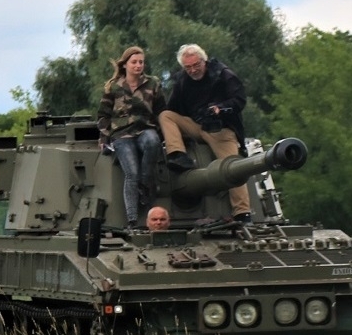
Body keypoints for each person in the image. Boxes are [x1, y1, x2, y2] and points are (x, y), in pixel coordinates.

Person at [158, 43, 252, 223]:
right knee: (166, 116)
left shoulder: (223, 75)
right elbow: (173, 108)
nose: (193, 70)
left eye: (196, 65)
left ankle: (242, 211)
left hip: (220, 130)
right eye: (188, 67)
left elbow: (239, 100)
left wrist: (221, 108)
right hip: (196, 125)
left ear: (204, 60)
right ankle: (177, 154)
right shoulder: (183, 81)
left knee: (233, 168)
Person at [97, 46, 166, 230]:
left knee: (153, 142)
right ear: (125, 64)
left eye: (141, 62)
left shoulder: (153, 84)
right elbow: (103, 115)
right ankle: (133, 219)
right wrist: (104, 138)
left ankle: (144, 184)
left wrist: (165, 132)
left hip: (145, 129)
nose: (138, 65)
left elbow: (161, 111)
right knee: (131, 173)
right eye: (134, 62)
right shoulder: (113, 87)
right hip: (122, 134)